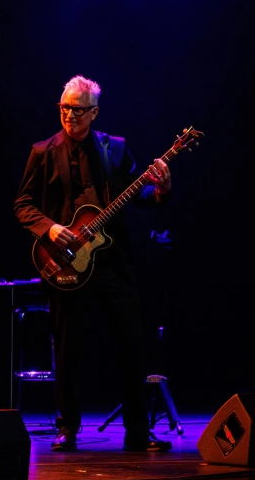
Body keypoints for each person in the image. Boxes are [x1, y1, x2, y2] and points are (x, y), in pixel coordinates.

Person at [13, 74, 172, 452]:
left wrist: (162, 189)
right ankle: (68, 427)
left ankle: (137, 430)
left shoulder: (115, 149)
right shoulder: (42, 151)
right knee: (68, 348)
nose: (70, 115)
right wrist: (49, 229)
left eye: (78, 110)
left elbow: (141, 194)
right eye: (65, 108)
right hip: (64, 262)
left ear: (95, 112)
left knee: (131, 346)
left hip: (112, 261)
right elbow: (22, 205)